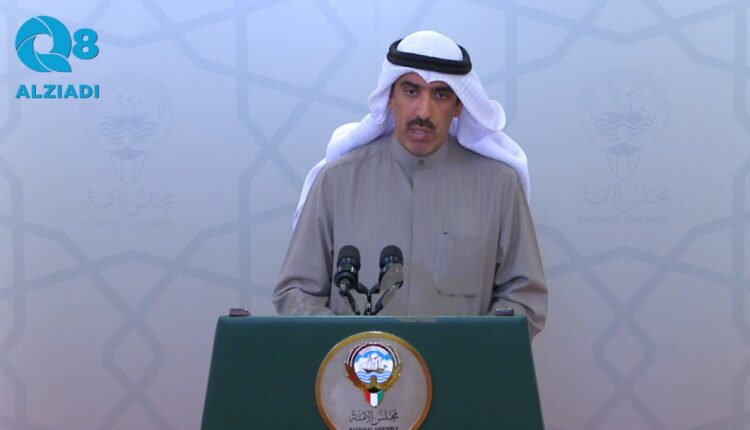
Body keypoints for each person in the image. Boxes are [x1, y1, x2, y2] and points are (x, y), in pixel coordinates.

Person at [273, 30, 547, 337]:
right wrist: (351, 351)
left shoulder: (499, 188)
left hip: (459, 367)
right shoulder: (336, 181)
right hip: (354, 367)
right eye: (411, 91)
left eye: (440, 95)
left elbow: (525, 299)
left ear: (458, 106)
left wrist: (471, 350)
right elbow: (296, 293)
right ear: (390, 98)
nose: (423, 112)